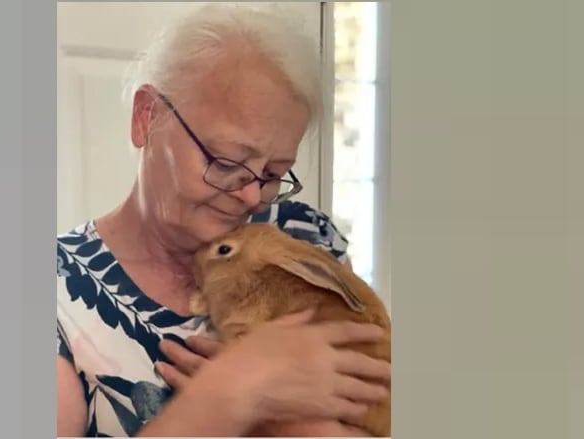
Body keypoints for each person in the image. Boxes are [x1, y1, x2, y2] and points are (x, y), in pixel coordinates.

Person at [56, 3, 391, 437]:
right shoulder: (58, 294)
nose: (252, 195)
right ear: (147, 118)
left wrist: (291, 423)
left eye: (273, 174)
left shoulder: (300, 235)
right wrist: (231, 393)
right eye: (228, 160)